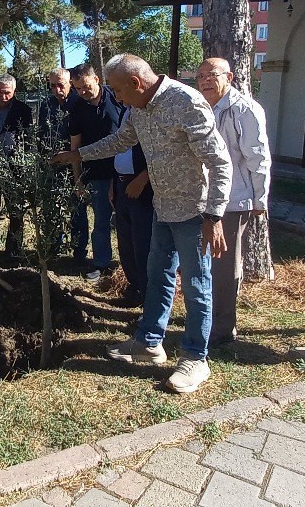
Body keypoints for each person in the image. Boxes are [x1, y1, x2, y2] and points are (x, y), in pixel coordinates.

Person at [53, 54, 231, 394]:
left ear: (136, 84)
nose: (116, 99)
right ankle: (150, 342)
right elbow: (120, 141)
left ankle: (196, 357)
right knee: (157, 275)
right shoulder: (138, 107)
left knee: (196, 284)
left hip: (195, 212)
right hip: (162, 207)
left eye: (119, 91)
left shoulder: (186, 103)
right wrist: (78, 155)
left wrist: (214, 216)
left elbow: (220, 163)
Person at [197, 58, 272, 345]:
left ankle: (223, 329)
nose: (204, 80)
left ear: (229, 76)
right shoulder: (203, 106)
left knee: (225, 267)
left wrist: (260, 199)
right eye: (200, 75)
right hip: (205, 200)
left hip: (234, 201)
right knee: (206, 265)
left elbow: (259, 158)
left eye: (211, 75)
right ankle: (207, 317)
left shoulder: (245, 109)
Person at [67, 63, 124, 281]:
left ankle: (130, 265)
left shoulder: (117, 98)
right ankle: (101, 262)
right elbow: (75, 148)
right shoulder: (77, 108)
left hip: (124, 173)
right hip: (96, 174)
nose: (82, 92)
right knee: (101, 221)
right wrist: (78, 180)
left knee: (126, 222)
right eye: (78, 89)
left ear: (97, 80)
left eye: (86, 87)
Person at [0, 74, 34, 254]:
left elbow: (28, 140)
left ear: (14, 91)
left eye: (7, 92)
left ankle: (14, 247)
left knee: (16, 209)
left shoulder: (23, 110)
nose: (3, 96)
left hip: (15, 169)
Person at [35, 67, 85, 260]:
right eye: (53, 85)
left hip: (75, 164)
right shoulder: (47, 105)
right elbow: (41, 133)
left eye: (60, 85)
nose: (57, 89)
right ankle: (55, 247)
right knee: (51, 208)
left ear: (70, 83)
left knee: (76, 209)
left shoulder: (79, 103)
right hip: (51, 164)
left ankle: (79, 251)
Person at [111, 105, 153, 308]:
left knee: (142, 242)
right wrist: (114, 183)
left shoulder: (150, 111)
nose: (115, 94)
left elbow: (159, 152)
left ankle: (148, 295)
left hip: (142, 187)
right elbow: (119, 148)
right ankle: (135, 287)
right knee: (125, 240)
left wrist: (143, 179)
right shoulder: (125, 111)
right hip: (121, 184)